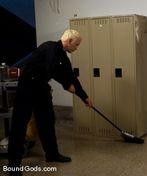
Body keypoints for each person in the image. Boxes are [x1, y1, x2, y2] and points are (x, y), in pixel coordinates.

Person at [8, 29, 93, 176]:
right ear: (69, 41)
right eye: (76, 44)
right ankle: (13, 166)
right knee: (19, 124)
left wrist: (84, 97)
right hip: (27, 86)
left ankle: (52, 154)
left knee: (47, 121)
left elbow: (71, 76)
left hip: (41, 87)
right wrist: (67, 85)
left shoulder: (64, 57)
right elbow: (52, 68)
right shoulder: (50, 47)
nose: (76, 48)